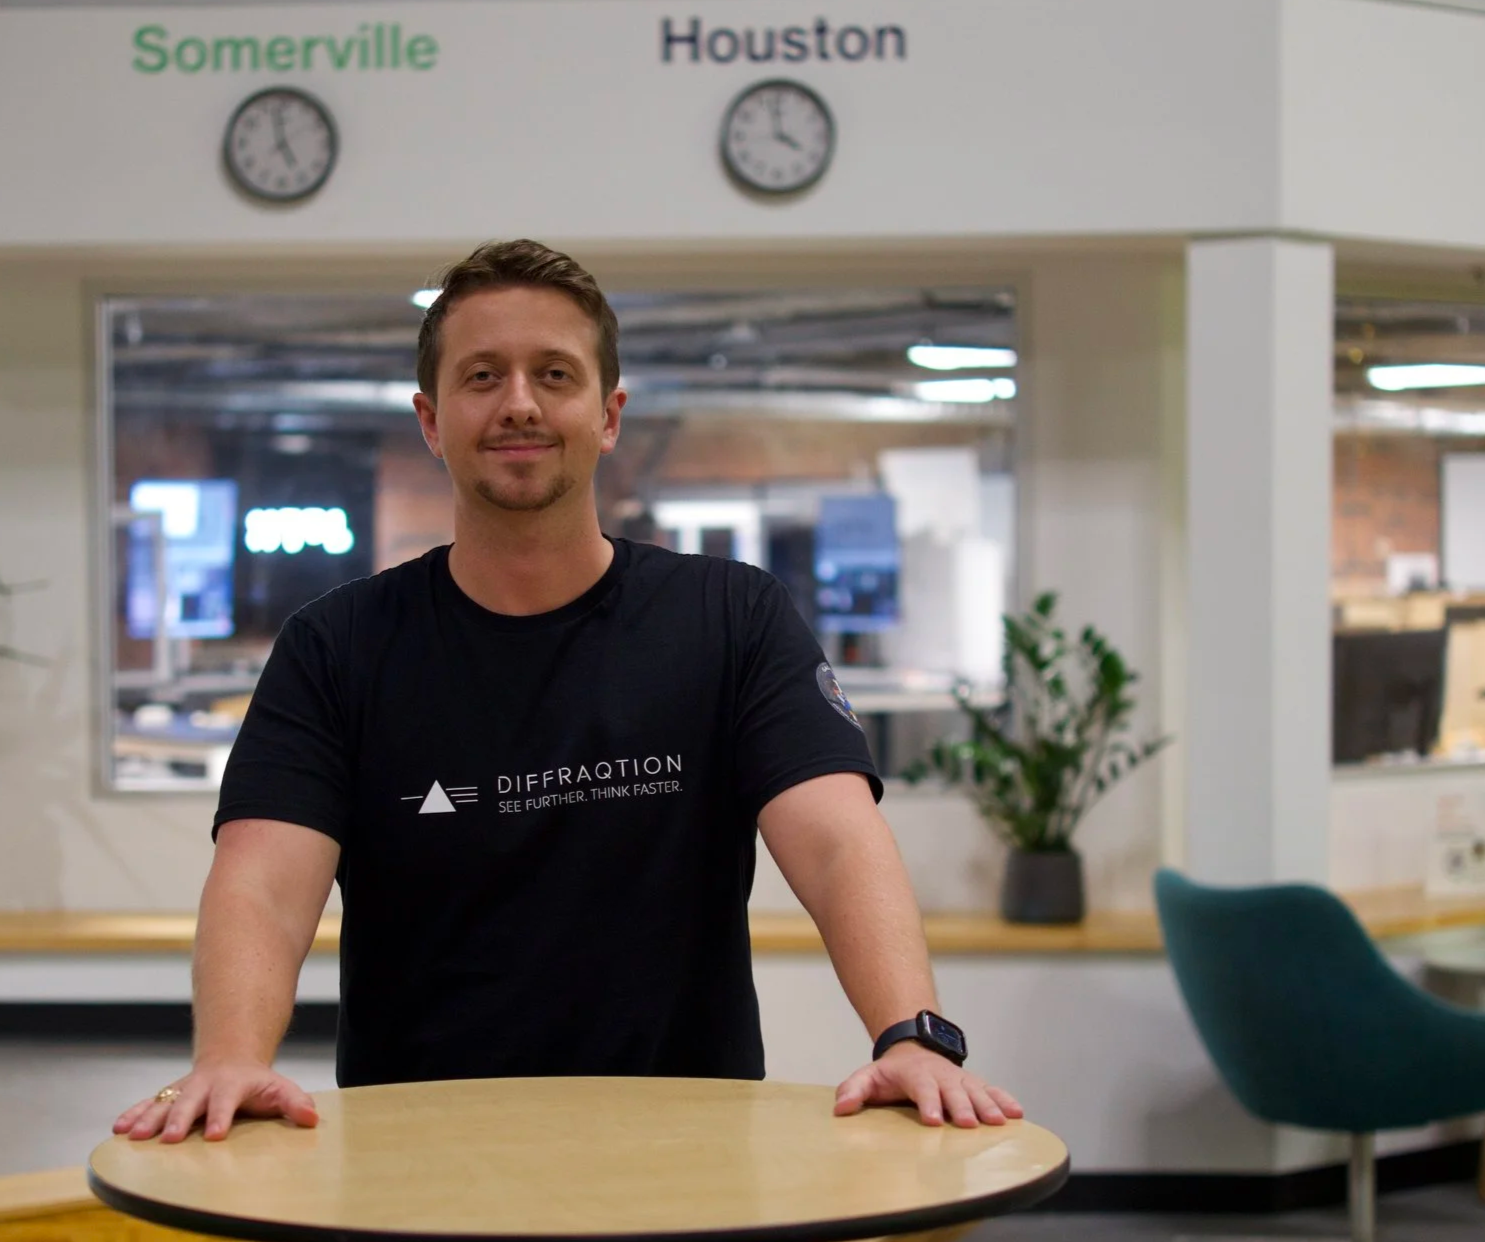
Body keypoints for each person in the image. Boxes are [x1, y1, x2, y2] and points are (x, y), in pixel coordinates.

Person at [114, 239, 1024, 1144]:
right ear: (430, 420)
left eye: (553, 374)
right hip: (417, 1158)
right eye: (482, 376)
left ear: (609, 413)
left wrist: (911, 1034)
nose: (519, 403)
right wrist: (229, 1054)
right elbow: (264, 886)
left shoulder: (730, 617)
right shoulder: (336, 647)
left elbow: (835, 843)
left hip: (686, 1151)